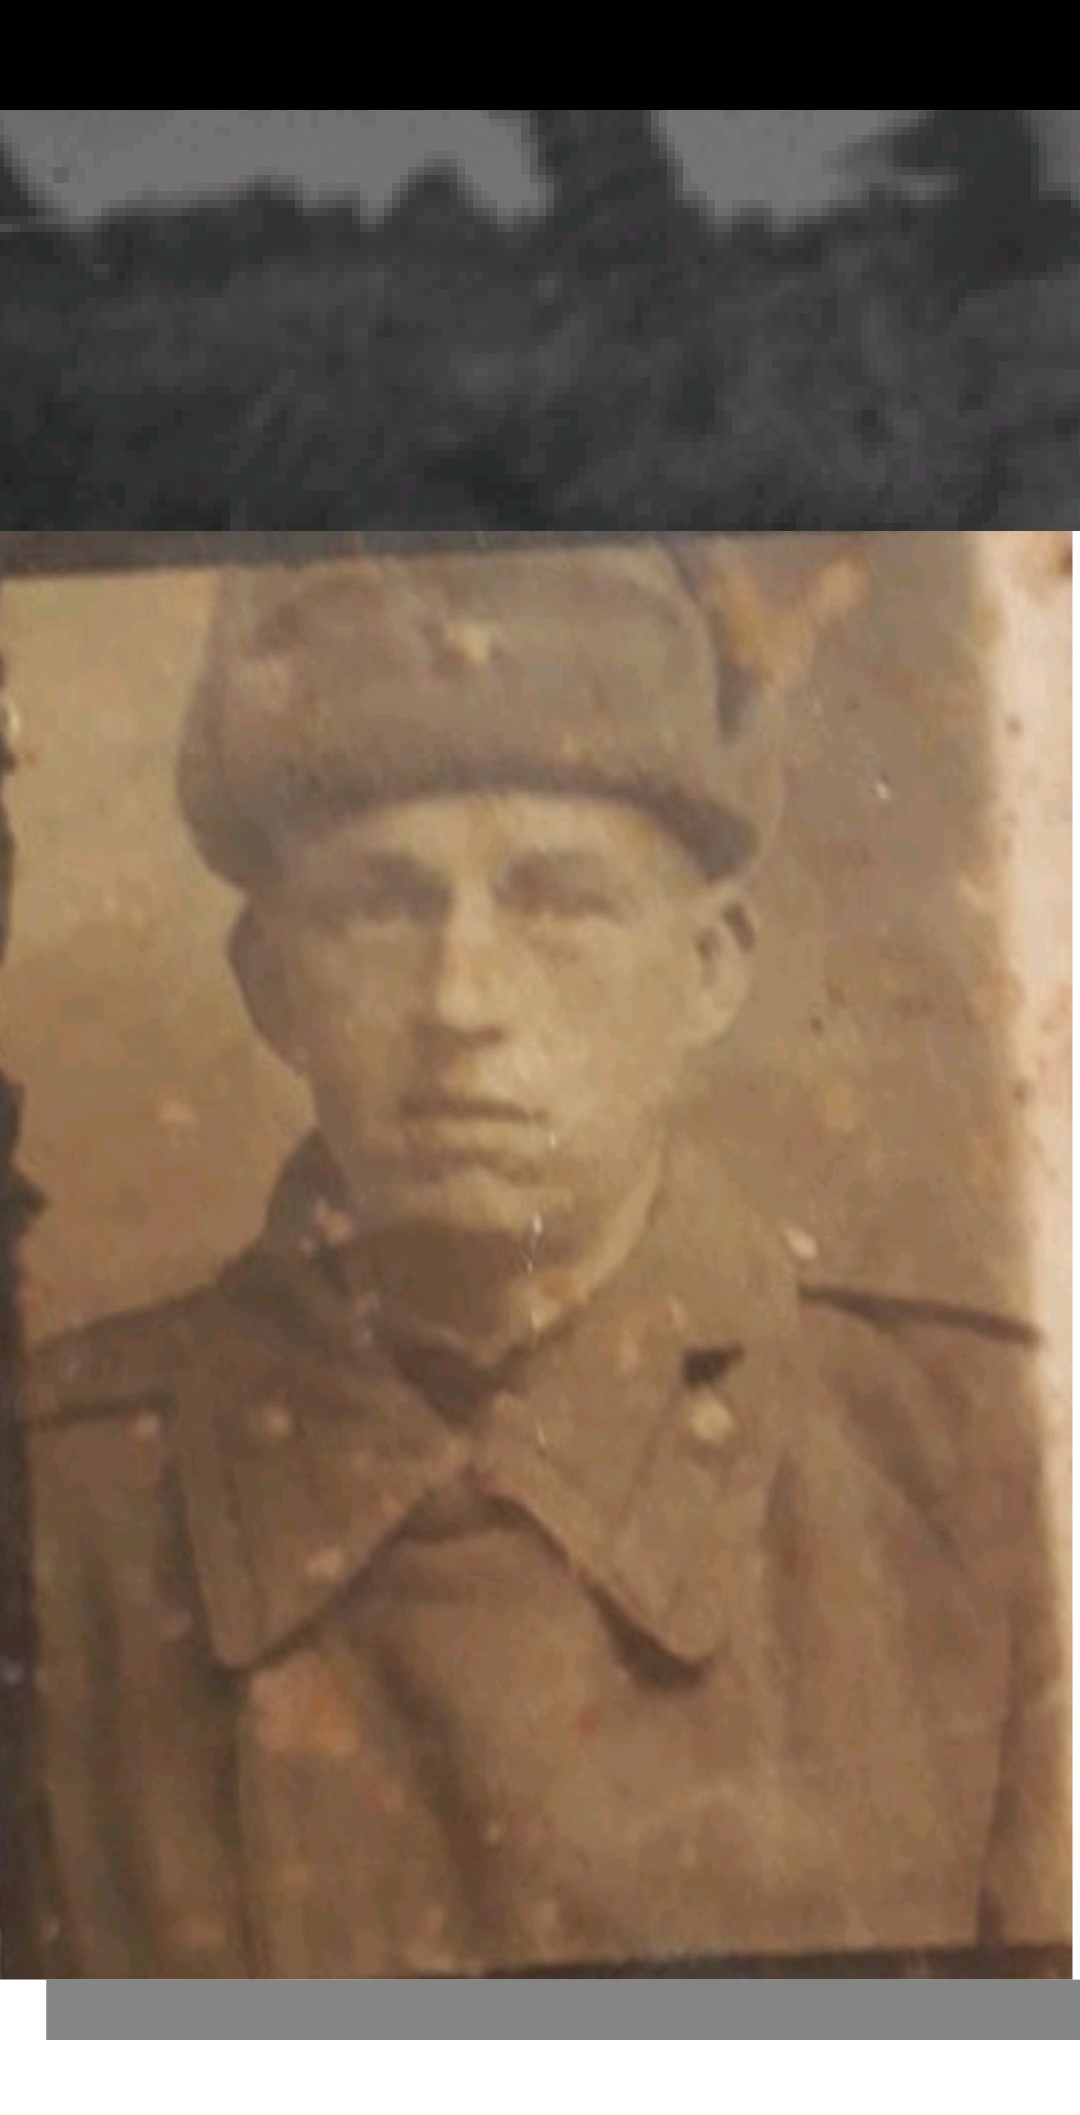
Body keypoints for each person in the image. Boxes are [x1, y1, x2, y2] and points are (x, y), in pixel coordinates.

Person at [18, 543, 1068, 1978]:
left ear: (711, 968)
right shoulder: (54, 1516)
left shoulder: (981, 1482)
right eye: (383, 907)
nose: (463, 1002)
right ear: (271, 983)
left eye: (560, 901)